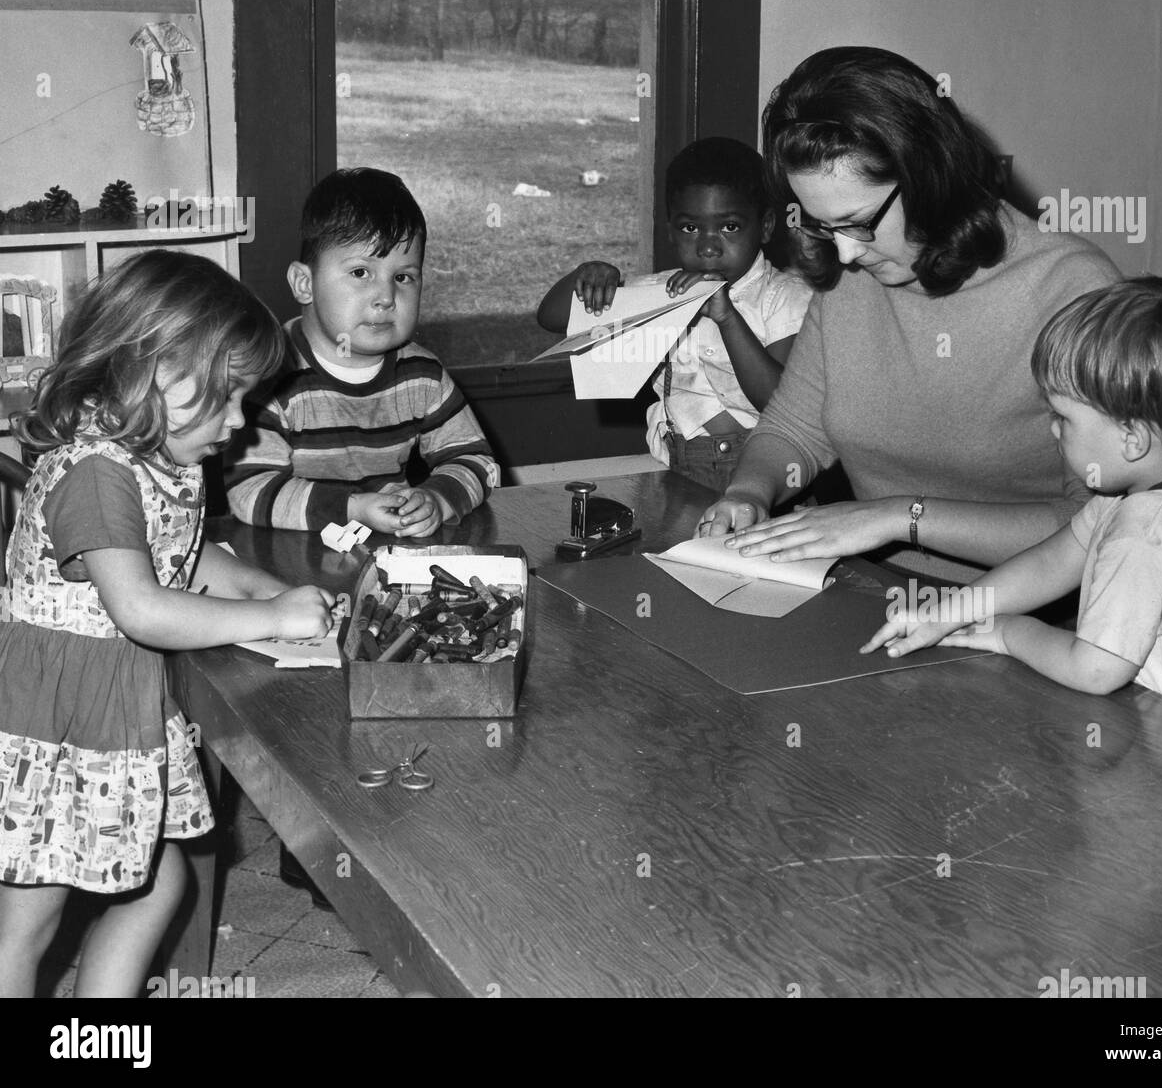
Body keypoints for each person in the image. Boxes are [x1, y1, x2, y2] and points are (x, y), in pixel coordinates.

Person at [0, 252, 334, 998]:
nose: (240, 421)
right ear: (143, 372)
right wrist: (266, 616)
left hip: (105, 712)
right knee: (24, 924)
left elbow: (188, 559)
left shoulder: (154, 459)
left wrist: (271, 592)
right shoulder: (96, 474)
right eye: (225, 396)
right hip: (48, 729)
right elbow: (143, 606)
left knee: (154, 883)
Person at [699, 46, 1122, 579]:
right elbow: (794, 427)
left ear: (929, 179)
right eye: (821, 226)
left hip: (1034, 617)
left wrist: (900, 516)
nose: (845, 254)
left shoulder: (1072, 289)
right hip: (881, 588)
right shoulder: (854, 272)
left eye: (856, 221)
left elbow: (1101, 527)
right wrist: (747, 493)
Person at [865, 278, 1162, 748]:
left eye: (1064, 417)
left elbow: (1095, 669)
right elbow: (1051, 562)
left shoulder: (1144, 535)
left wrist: (1010, 632)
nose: (1052, 429)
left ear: (1133, 440)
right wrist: (947, 613)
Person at [225, 168, 498, 533]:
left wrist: (438, 499)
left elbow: (476, 460)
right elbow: (248, 489)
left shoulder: (422, 374)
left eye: (403, 277)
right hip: (290, 561)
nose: (386, 297)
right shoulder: (270, 373)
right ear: (304, 283)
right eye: (360, 273)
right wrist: (352, 508)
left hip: (389, 557)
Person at [537, 137, 812, 493]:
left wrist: (727, 317)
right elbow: (552, 316)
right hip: (676, 473)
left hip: (766, 478)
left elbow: (780, 403)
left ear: (765, 227)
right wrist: (587, 276)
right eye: (689, 228)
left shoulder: (785, 298)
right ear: (670, 229)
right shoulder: (659, 293)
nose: (708, 245)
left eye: (729, 227)